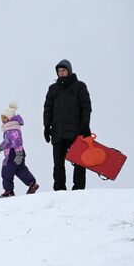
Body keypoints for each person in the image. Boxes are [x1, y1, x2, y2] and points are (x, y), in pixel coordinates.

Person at [43, 59, 92, 191]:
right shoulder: (53, 89)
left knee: (79, 161)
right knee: (58, 163)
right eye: (59, 71)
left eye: (64, 70)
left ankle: (79, 189)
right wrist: (47, 126)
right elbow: (48, 108)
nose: (61, 73)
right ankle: (59, 189)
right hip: (58, 132)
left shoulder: (80, 86)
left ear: (69, 71)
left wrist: (85, 126)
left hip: (77, 131)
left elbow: (86, 107)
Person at [0, 102, 39, 197]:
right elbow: (6, 142)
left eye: (4, 117)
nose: (2, 120)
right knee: (20, 170)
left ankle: (8, 190)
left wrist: (18, 154)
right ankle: (32, 184)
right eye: (1, 117)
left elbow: (17, 142)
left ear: (10, 118)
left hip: (13, 153)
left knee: (6, 171)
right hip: (17, 153)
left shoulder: (12, 129)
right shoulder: (10, 129)